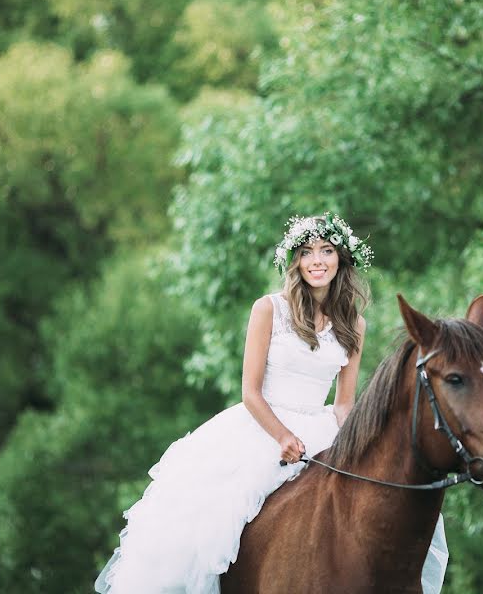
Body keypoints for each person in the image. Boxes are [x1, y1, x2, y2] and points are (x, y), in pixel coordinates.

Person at [95, 213, 447, 593]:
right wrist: (282, 437)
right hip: (263, 426)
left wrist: (362, 448)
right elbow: (250, 392)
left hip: (323, 427)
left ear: (341, 259)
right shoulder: (269, 309)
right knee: (214, 526)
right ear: (295, 261)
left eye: (327, 251)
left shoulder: (354, 324)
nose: (317, 260)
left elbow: (345, 404)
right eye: (307, 252)